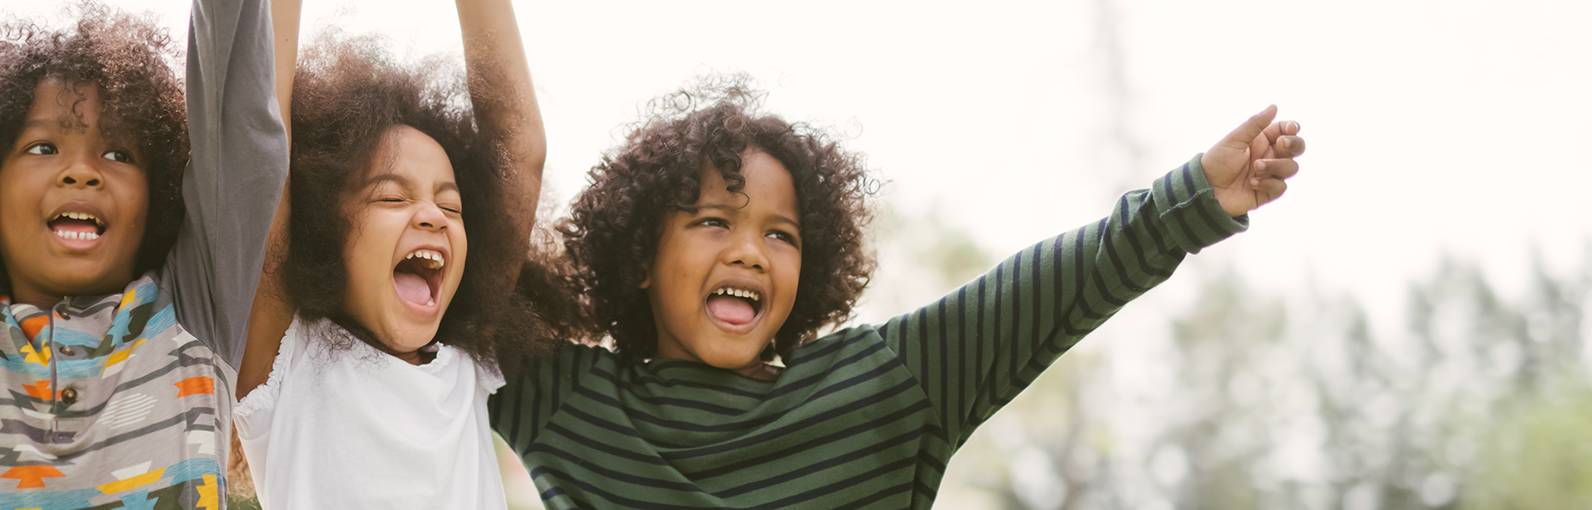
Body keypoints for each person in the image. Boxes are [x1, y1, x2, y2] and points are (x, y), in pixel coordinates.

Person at [491, 79, 1307, 508]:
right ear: (639, 255)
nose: (750, 250)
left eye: (781, 234)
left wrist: (1191, 198)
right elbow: (479, 230)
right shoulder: (570, 404)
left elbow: (1044, 290)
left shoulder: (882, 386)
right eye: (713, 221)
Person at [0, 0, 284, 507]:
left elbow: (241, 129)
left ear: (159, 197)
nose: (82, 171)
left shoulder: (193, 312)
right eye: (42, 147)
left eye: (119, 153)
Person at [228, 0, 555, 507]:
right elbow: (264, 148)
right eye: (392, 197)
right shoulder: (286, 363)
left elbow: (518, 149)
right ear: (321, 233)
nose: (433, 215)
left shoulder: (463, 368)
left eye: (451, 204)